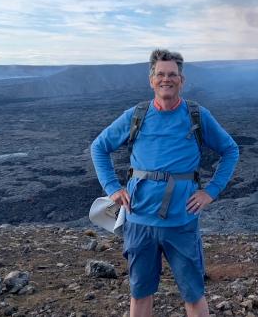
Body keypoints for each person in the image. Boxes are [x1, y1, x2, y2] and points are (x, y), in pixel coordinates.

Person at [91, 49, 239, 317]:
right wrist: (112, 188)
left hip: (181, 222)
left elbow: (230, 150)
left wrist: (211, 191)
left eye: (172, 74)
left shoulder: (197, 115)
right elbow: (99, 147)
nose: (166, 79)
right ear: (151, 80)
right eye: (160, 74)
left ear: (182, 80)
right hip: (139, 221)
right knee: (140, 293)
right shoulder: (136, 115)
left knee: (194, 294)